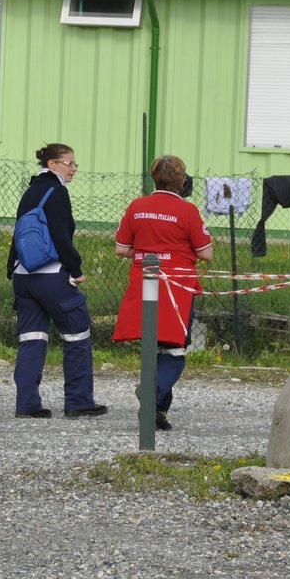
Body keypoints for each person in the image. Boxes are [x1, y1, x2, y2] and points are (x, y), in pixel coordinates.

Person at [113, 154, 214, 431]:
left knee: (153, 348)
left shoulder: (137, 206)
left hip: (145, 283)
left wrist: (148, 252)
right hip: (177, 287)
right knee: (175, 352)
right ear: (182, 181)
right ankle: (152, 393)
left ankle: (157, 412)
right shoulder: (188, 211)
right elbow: (206, 254)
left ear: (153, 178)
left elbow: (121, 249)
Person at [6, 143, 106, 419]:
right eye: (69, 163)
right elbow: (62, 236)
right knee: (77, 333)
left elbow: (20, 234)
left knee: (32, 338)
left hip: (23, 276)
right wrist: (75, 269)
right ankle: (79, 401)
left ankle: (27, 404)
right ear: (52, 164)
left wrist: (11, 269)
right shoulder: (57, 192)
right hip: (51, 275)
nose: (74, 169)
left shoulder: (30, 191)